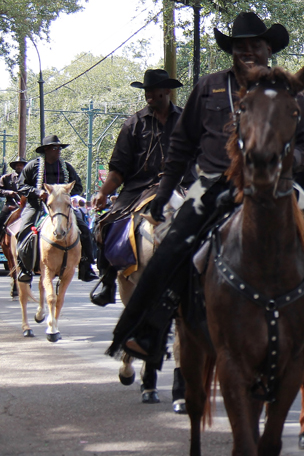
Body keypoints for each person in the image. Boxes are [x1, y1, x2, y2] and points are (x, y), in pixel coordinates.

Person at [107, 11, 304, 365]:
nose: (248, 52)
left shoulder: (291, 91)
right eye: (240, 46)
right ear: (231, 51)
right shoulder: (208, 87)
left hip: (278, 184)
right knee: (173, 246)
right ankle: (146, 331)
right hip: (214, 184)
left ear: (269, 50)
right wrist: (165, 191)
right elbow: (182, 145)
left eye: (256, 45)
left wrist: (290, 157)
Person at [90, 68, 185, 306]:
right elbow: (118, 169)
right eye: (146, 91)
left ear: (167, 90)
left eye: (153, 90)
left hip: (181, 185)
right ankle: (108, 279)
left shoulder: (186, 120)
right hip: (140, 188)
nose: (149, 95)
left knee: (215, 217)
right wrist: (103, 193)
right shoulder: (133, 124)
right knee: (108, 223)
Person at [15, 135, 97, 283]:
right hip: (37, 206)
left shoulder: (66, 167)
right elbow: (21, 186)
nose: (58, 151)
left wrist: (63, 194)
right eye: (55, 148)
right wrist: (38, 192)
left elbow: (78, 186)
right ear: (46, 150)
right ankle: (25, 268)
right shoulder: (32, 166)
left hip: (62, 208)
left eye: (60, 148)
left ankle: (86, 266)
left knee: (84, 229)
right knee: (24, 230)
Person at [0, 156, 27, 233]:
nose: (19, 167)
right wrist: (8, 192)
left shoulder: (28, 178)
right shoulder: (6, 177)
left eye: (21, 165)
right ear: (15, 167)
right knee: (1, 219)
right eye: (17, 165)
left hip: (26, 205)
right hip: (10, 204)